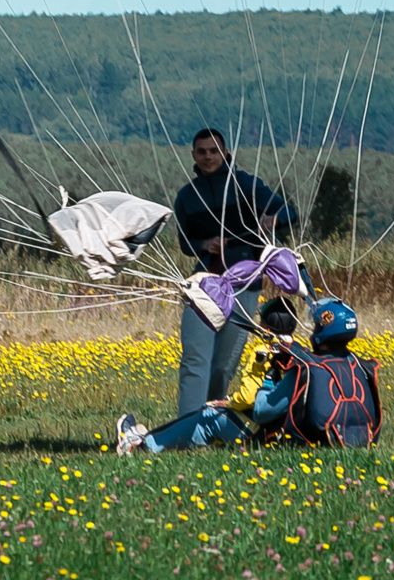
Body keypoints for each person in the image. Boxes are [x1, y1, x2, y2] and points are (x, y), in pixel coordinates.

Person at [171, 128, 294, 414]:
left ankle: (210, 418)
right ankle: (188, 425)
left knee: (225, 363)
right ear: (193, 156)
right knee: (195, 359)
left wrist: (272, 220)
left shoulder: (247, 185)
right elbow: (185, 244)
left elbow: (289, 211)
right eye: (201, 152)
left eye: (213, 151)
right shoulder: (186, 197)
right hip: (204, 283)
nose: (208, 157)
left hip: (245, 284)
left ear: (225, 153)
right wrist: (205, 243)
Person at [114, 300, 300, 453]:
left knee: (208, 413)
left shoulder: (263, 352)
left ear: (266, 329)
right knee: (217, 414)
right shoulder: (298, 352)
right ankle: (165, 444)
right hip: (287, 432)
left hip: (261, 434)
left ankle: (141, 446)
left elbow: (248, 398)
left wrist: (229, 403)